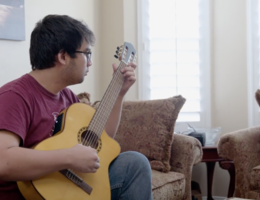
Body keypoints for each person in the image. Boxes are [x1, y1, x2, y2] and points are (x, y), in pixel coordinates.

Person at [0, 14, 153, 200]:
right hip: (30, 194)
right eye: (87, 53)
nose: (90, 62)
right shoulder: (15, 96)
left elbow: (100, 139)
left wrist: (119, 93)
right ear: (63, 56)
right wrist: (69, 157)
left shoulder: (67, 97)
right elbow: (4, 161)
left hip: (68, 186)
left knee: (134, 163)